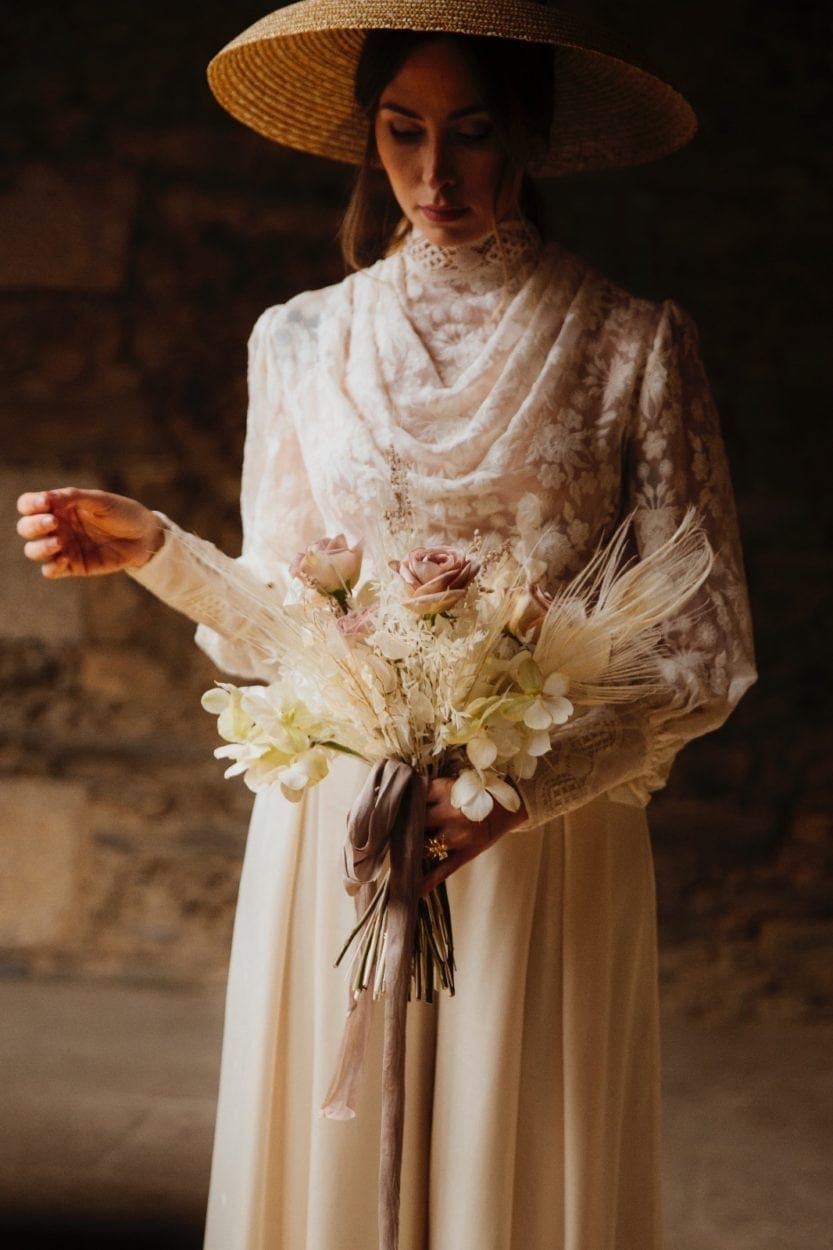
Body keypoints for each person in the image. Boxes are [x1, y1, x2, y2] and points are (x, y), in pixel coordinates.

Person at [16, 3, 756, 1248]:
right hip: (338, 829)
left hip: (535, 842)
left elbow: (701, 647)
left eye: (468, 132)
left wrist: (513, 799)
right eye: (403, 132)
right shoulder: (299, 339)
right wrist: (159, 551)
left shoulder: (633, 343)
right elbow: (277, 624)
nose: (433, 172)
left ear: (521, 135)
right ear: (371, 139)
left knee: (505, 1174)